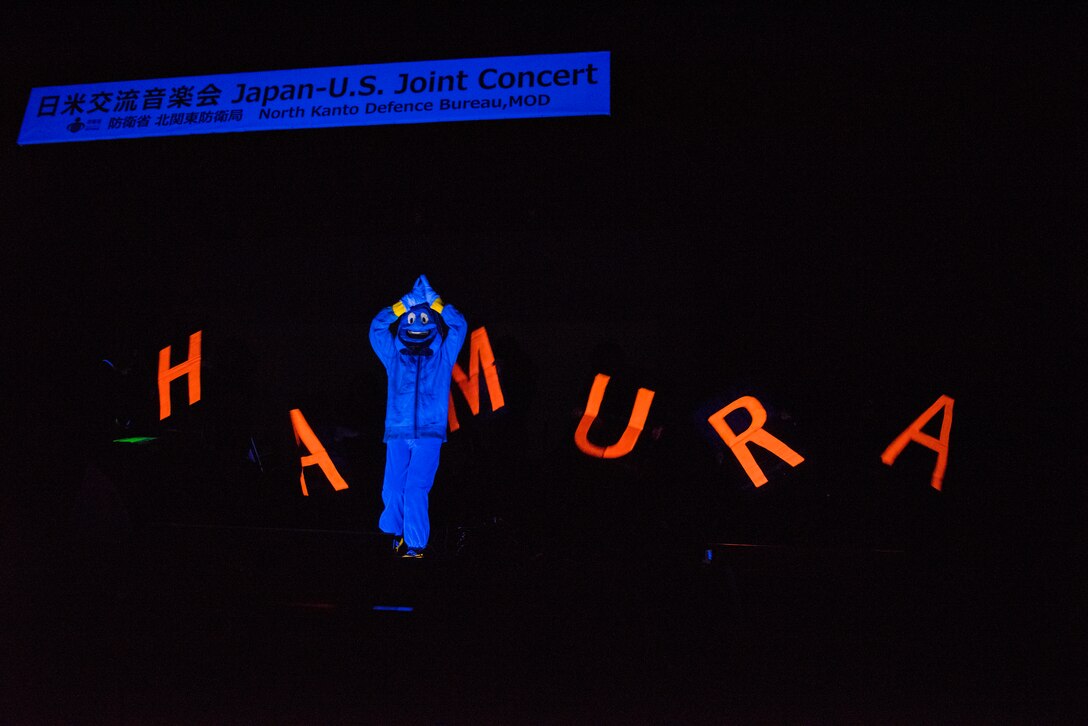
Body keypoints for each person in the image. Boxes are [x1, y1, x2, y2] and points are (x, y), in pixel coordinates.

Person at [369, 275, 467, 558]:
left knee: (414, 488)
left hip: (429, 433)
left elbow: (459, 326)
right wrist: (403, 305)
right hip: (398, 430)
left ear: (434, 326)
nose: (417, 324)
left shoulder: (442, 356)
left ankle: (415, 546)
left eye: (423, 320)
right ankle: (393, 536)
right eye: (411, 320)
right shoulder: (394, 356)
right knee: (392, 489)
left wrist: (437, 304)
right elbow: (376, 329)